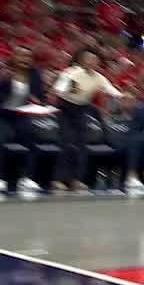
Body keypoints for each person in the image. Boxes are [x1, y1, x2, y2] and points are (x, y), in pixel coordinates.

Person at [51, 47, 122, 192]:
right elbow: (59, 89)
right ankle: (58, 180)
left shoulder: (99, 77)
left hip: (82, 109)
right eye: (88, 59)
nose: (91, 62)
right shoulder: (70, 72)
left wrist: (121, 96)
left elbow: (110, 89)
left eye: (94, 60)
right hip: (65, 108)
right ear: (81, 60)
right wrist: (70, 89)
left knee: (82, 146)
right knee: (67, 143)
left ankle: (77, 180)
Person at [0, 47, 46, 193]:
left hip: (22, 115)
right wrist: (3, 80)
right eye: (21, 55)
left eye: (27, 56)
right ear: (14, 57)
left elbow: (40, 97)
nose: (24, 59)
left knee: (32, 141)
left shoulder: (35, 75)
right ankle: (1, 178)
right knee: (1, 140)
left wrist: (37, 101)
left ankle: (26, 179)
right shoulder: (4, 72)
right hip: (3, 115)